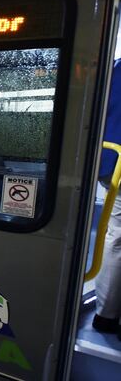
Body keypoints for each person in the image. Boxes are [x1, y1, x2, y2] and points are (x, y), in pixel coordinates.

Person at [94, 58, 121, 337]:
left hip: (108, 160)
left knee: (116, 234)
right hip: (117, 162)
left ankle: (106, 312)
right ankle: (109, 315)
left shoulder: (112, 67)